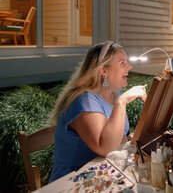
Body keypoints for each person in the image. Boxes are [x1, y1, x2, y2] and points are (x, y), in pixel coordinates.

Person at [49, 41, 147, 182]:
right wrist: (122, 102)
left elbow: (120, 137)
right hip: (73, 181)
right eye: (122, 63)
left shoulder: (114, 92)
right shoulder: (84, 100)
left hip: (102, 173)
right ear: (103, 71)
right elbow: (105, 148)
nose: (129, 67)